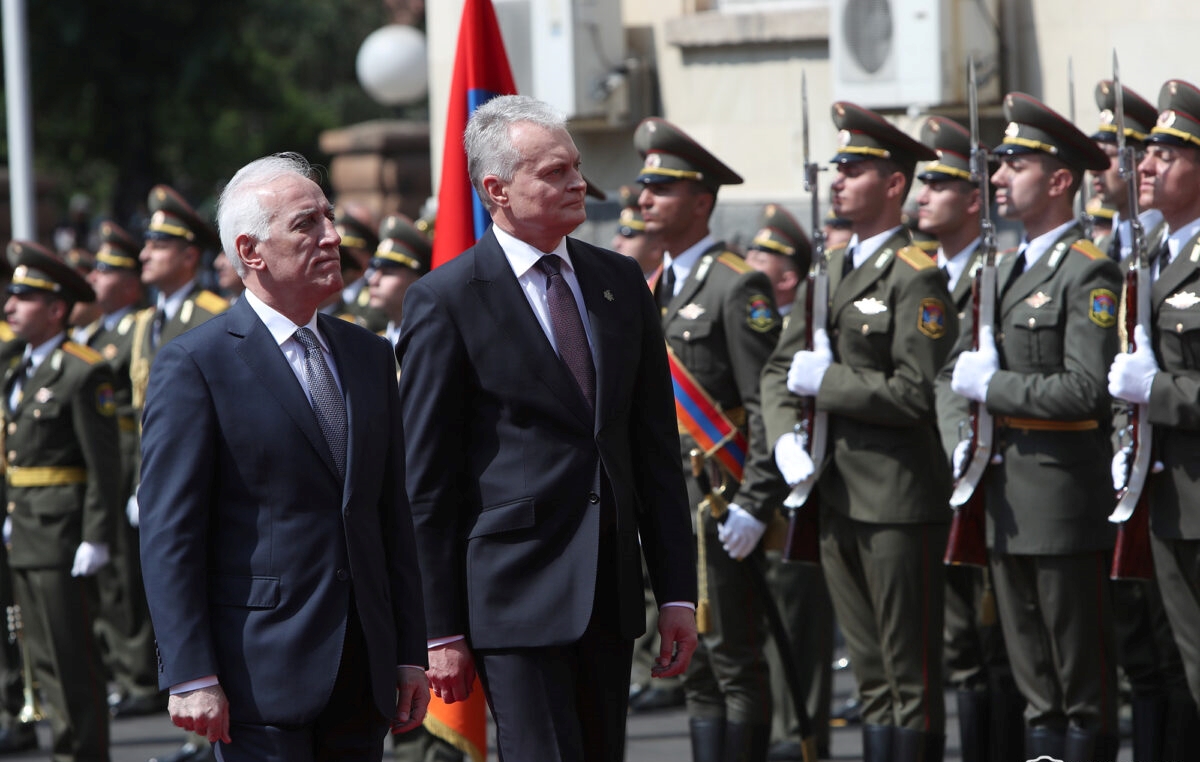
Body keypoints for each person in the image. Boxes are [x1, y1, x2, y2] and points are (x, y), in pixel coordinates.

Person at [396, 95, 697, 762]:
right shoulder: (445, 301)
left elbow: (654, 454)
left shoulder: (619, 282)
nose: (578, 185)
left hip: (609, 592)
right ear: (496, 190)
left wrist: (678, 591)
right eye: (555, 172)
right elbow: (428, 482)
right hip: (512, 596)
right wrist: (440, 629)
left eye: (577, 169)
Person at [138, 152, 430, 762]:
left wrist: (408, 650)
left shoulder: (368, 356)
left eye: (329, 218)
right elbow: (171, 532)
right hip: (257, 671)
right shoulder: (197, 363)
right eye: (307, 225)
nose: (333, 237)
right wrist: (191, 674)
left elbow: (388, 513)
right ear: (251, 251)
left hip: (362, 667)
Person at [762, 101, 954, 761]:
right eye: (836, 167)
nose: (837, 180)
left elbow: (915, 392)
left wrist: (831, 383)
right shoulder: (830, 272)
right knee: (871, 679)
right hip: (834, 494)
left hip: (897, 500)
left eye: (854, 168)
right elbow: (779, 368)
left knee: (911, 679)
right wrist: (786, 434)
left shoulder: (916, 275)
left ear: (894, 184)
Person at [942, 92, 1121, 760]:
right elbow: (949, 377)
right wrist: (959, 429)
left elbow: (1084, 388)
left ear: (1059, 179)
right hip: (1002, 500)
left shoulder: (1088, 271)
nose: (995, 179)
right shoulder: (1001, 269)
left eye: (1013, 163)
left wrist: (993, 387)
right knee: (1035, 687)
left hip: (1061, 502)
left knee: (1080, 685)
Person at [635, 115, 782, 762]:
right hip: (666, 496)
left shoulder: (736, 285)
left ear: (701, 202)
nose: (643, 199)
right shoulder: (652, 287)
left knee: (732, 657)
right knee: (686, 654)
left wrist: (756, 499)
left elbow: (764, 403)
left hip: (717, 496)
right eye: (643, 187)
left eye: (660, 190)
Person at [919, 115, 1025, 762]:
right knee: (956, 648)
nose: (923, 193)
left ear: (976, 197)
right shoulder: (909, 272)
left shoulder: (998, 272)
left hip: (981, 481)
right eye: (922, 180)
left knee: (996, 645)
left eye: (940, 180)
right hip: (923, 487)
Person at [1107, 78, 1200, 757]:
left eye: (1166, 153)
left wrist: (1159, 391)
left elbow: (1154, 380)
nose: (1144, 164)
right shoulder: (1150, 256)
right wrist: (1124, 438)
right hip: (1166, 501)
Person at [3, 240, 121, 761]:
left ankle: (83, 753)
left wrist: (97, 536)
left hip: (62, 532)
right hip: (25, 529)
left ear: (55, 309)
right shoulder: (18, 370)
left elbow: (103, 466)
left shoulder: (82, 370)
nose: (9, 306)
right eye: (11, 295)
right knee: (41, 655)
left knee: (72, 657)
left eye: (23, 298)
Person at [741, 204, 834, 762]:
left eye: (764, 256)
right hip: (757, 498)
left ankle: (803, 744)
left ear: (790, 277)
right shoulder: (758, 319)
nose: (751, 262)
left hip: (795, 498)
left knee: (799, 637)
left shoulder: (804, 327)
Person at [71, 221, 164, 721]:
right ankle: (124, 669)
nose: (96, 278)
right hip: (113, 455)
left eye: (107, 270)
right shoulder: (100, 332)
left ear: (130, 283)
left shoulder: (142, 324)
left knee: (131, 573)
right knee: (111, 573)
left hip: (133, 452)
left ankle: (139, 673)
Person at [1089, 80, 1165, 261]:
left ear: (1140, 159)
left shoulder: (1166, 243)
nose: (1094, 170)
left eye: (1109, 155)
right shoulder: (1101, 248)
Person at [334, 204, 388, 332]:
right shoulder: (331, 292)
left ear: (366, 253)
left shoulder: (376, 290)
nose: (341, 258)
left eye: (347, 253)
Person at [611, 184, 664, 281]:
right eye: (618, 234)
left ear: (656, 247)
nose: (616, 243)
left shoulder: (669, 286)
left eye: (628, 235)